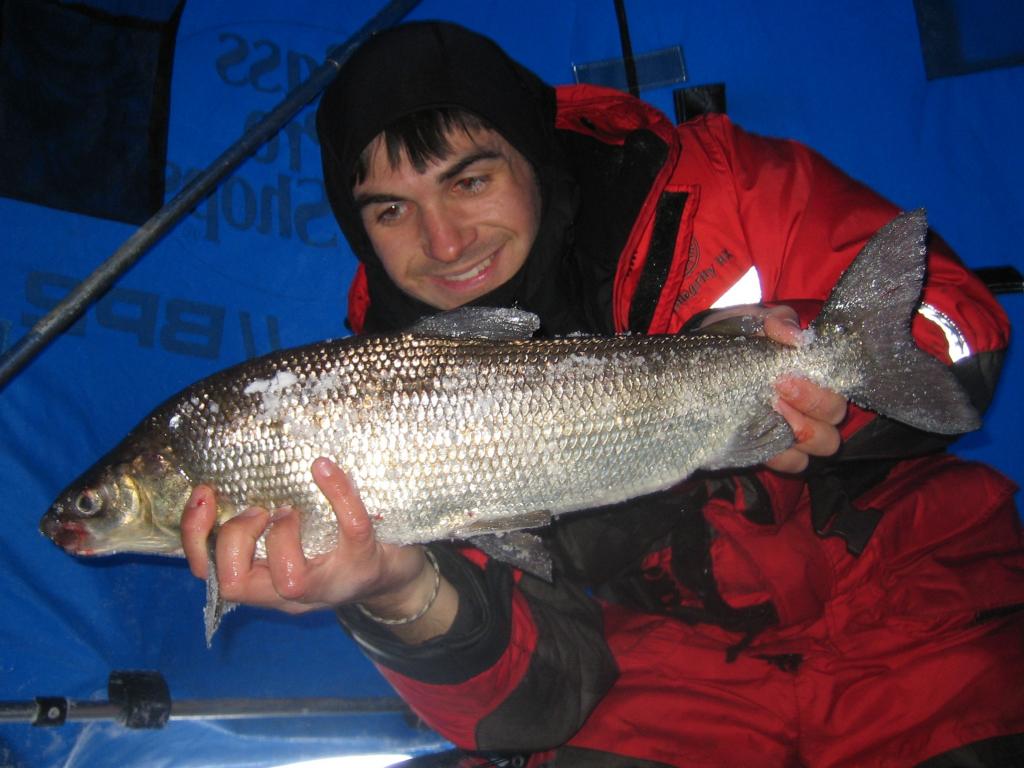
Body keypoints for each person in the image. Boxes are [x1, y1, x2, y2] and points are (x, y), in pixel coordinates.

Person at [180, 21, 1024, 767]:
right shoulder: (372, 399)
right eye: (392, 211)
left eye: (471, 181)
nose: (444, 242)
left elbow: (963, 326)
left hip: (913, 585)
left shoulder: (721, 185)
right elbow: (532, 694)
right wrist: (396, 592)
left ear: (533, 155)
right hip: (670, 653)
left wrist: (822, 367)